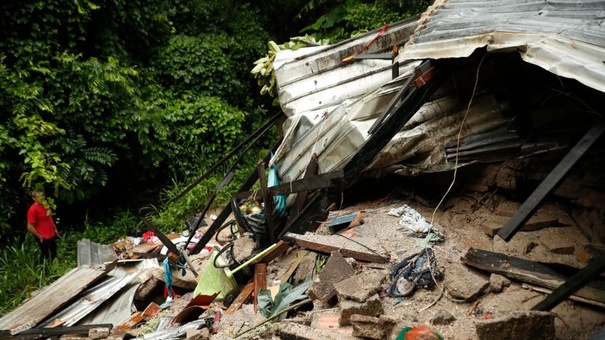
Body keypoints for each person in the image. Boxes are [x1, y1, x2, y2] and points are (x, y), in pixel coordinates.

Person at [27, 189, 61, 263]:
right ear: (34, 198)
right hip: (44, 236)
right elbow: (30, 226)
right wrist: (40, 236)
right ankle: (46, 272)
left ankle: (55, 269)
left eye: (42, 196)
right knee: (47, 257)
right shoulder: (32, 210)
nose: (41, 198)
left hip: (51, 233)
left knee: (54, 253)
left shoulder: (45, 203)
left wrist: (55, 229)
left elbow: (49, 217)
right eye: (38, 197)